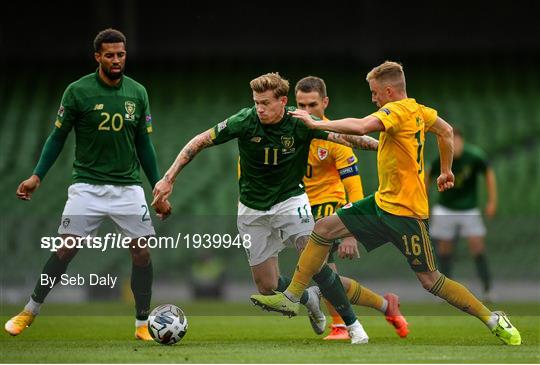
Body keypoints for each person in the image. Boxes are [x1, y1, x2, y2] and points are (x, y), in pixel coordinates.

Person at [251, 61, 521, 346]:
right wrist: (446, 170)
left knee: (431, 281)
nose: (373, 98)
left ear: (389, 90)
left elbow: (361, 126)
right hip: (382, 203)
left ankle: (492, 318)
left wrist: (317, 123)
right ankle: (292, 297)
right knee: (323, 229)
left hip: (406, 213)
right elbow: (445, 130)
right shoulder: (420, 110)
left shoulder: (396, 111)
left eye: (375, 92)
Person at [152, 72, 380, 344]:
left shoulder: (301, 122)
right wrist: (168, 179)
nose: (259, 108)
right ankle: (308, 300)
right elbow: (199, 141)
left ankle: (353, 327)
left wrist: (385, 148)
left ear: (283, 101)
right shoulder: (244, 120)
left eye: (265, 103)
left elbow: (350, 139)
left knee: (316, 263)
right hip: (251, 209)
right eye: (256, 102)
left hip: (290, 201)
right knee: (267, 285)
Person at [4, 28, 171, 341]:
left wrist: (157, 188)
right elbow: (57, 137)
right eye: (109, 55)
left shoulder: (138, 92)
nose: (116, 60)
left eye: (121, 54)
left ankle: (141, 325)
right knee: (66, 248)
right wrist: (37, 176)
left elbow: (144, 145)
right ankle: (29, 311)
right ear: (98, 57)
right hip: (87, 187)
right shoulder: (77, 91)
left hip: (127, 187)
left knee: (142, 253)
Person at [295, 76, 408, 340]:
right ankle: (384, 306)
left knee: (321, 273)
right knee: (325, 277)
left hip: (329, 208)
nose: (307, 111)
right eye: (301, 104)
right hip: (301, 210)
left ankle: (341, 325)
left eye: (313, 104)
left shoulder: (336, 138)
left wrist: (350, 232)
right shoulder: (293, 132)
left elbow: (354, 187)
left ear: (325, 102)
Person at [427, 128, 496, 302]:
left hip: (468, 209)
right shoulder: (441, 158)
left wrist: (492, 201)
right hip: (445, 208)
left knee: (477, 246)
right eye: (451, 142)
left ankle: (487, 288)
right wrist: (424, 203)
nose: (454, 145)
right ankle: (444, 291)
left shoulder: (474, 156)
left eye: (456, 142)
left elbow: (488, 173)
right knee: (444, 249)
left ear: (462, 142)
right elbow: (426, 177)